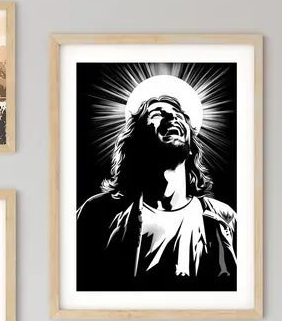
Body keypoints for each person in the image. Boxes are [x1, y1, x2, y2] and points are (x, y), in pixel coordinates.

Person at [75, 94, 236, 291]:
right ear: (137, 142)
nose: (172, 116)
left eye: (178, 114)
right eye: (157, 113)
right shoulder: (97, 213)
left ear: (192, 147)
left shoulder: (223, 218)